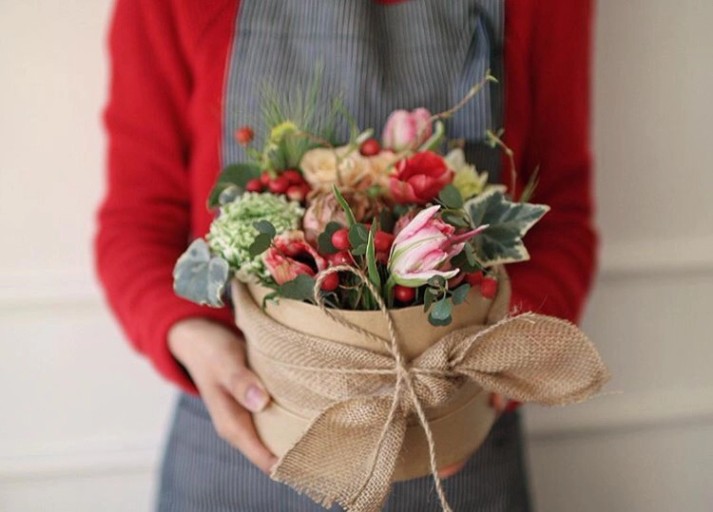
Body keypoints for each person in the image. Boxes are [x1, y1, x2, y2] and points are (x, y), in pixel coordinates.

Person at [95, 0, 597, 510]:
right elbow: (136, 221)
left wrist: (500, 363)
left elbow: (561, 217)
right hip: (242, 428)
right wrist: (189, 337)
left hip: (453, 433)